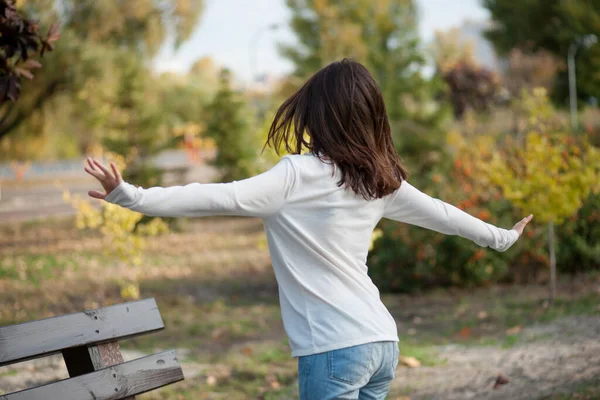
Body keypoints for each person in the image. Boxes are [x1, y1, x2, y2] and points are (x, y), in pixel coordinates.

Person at [85, 58, 533, 400]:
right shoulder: (379, 180)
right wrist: (501, 236)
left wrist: (132, 196)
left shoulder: (297, 175)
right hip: (382, 342)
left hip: (334, 350)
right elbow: (444, 215)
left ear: (317, 114)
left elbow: (221, 196)